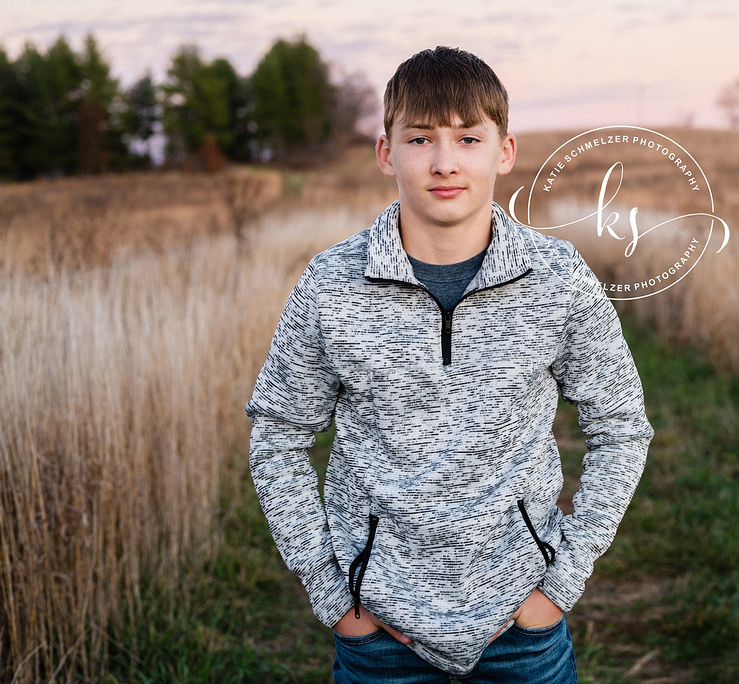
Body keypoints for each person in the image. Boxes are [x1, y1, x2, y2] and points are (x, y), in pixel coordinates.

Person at [247, 46, 653, 683]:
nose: (444, 162)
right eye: (419, 138)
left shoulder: (560, 279)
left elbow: (622, 429)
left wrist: (559, 586)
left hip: (523, 638)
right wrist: (335, 596)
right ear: (386, 152)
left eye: (468, 137)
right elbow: (276, 434)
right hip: (378, 641)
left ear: (504, 151)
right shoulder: (331, 285)